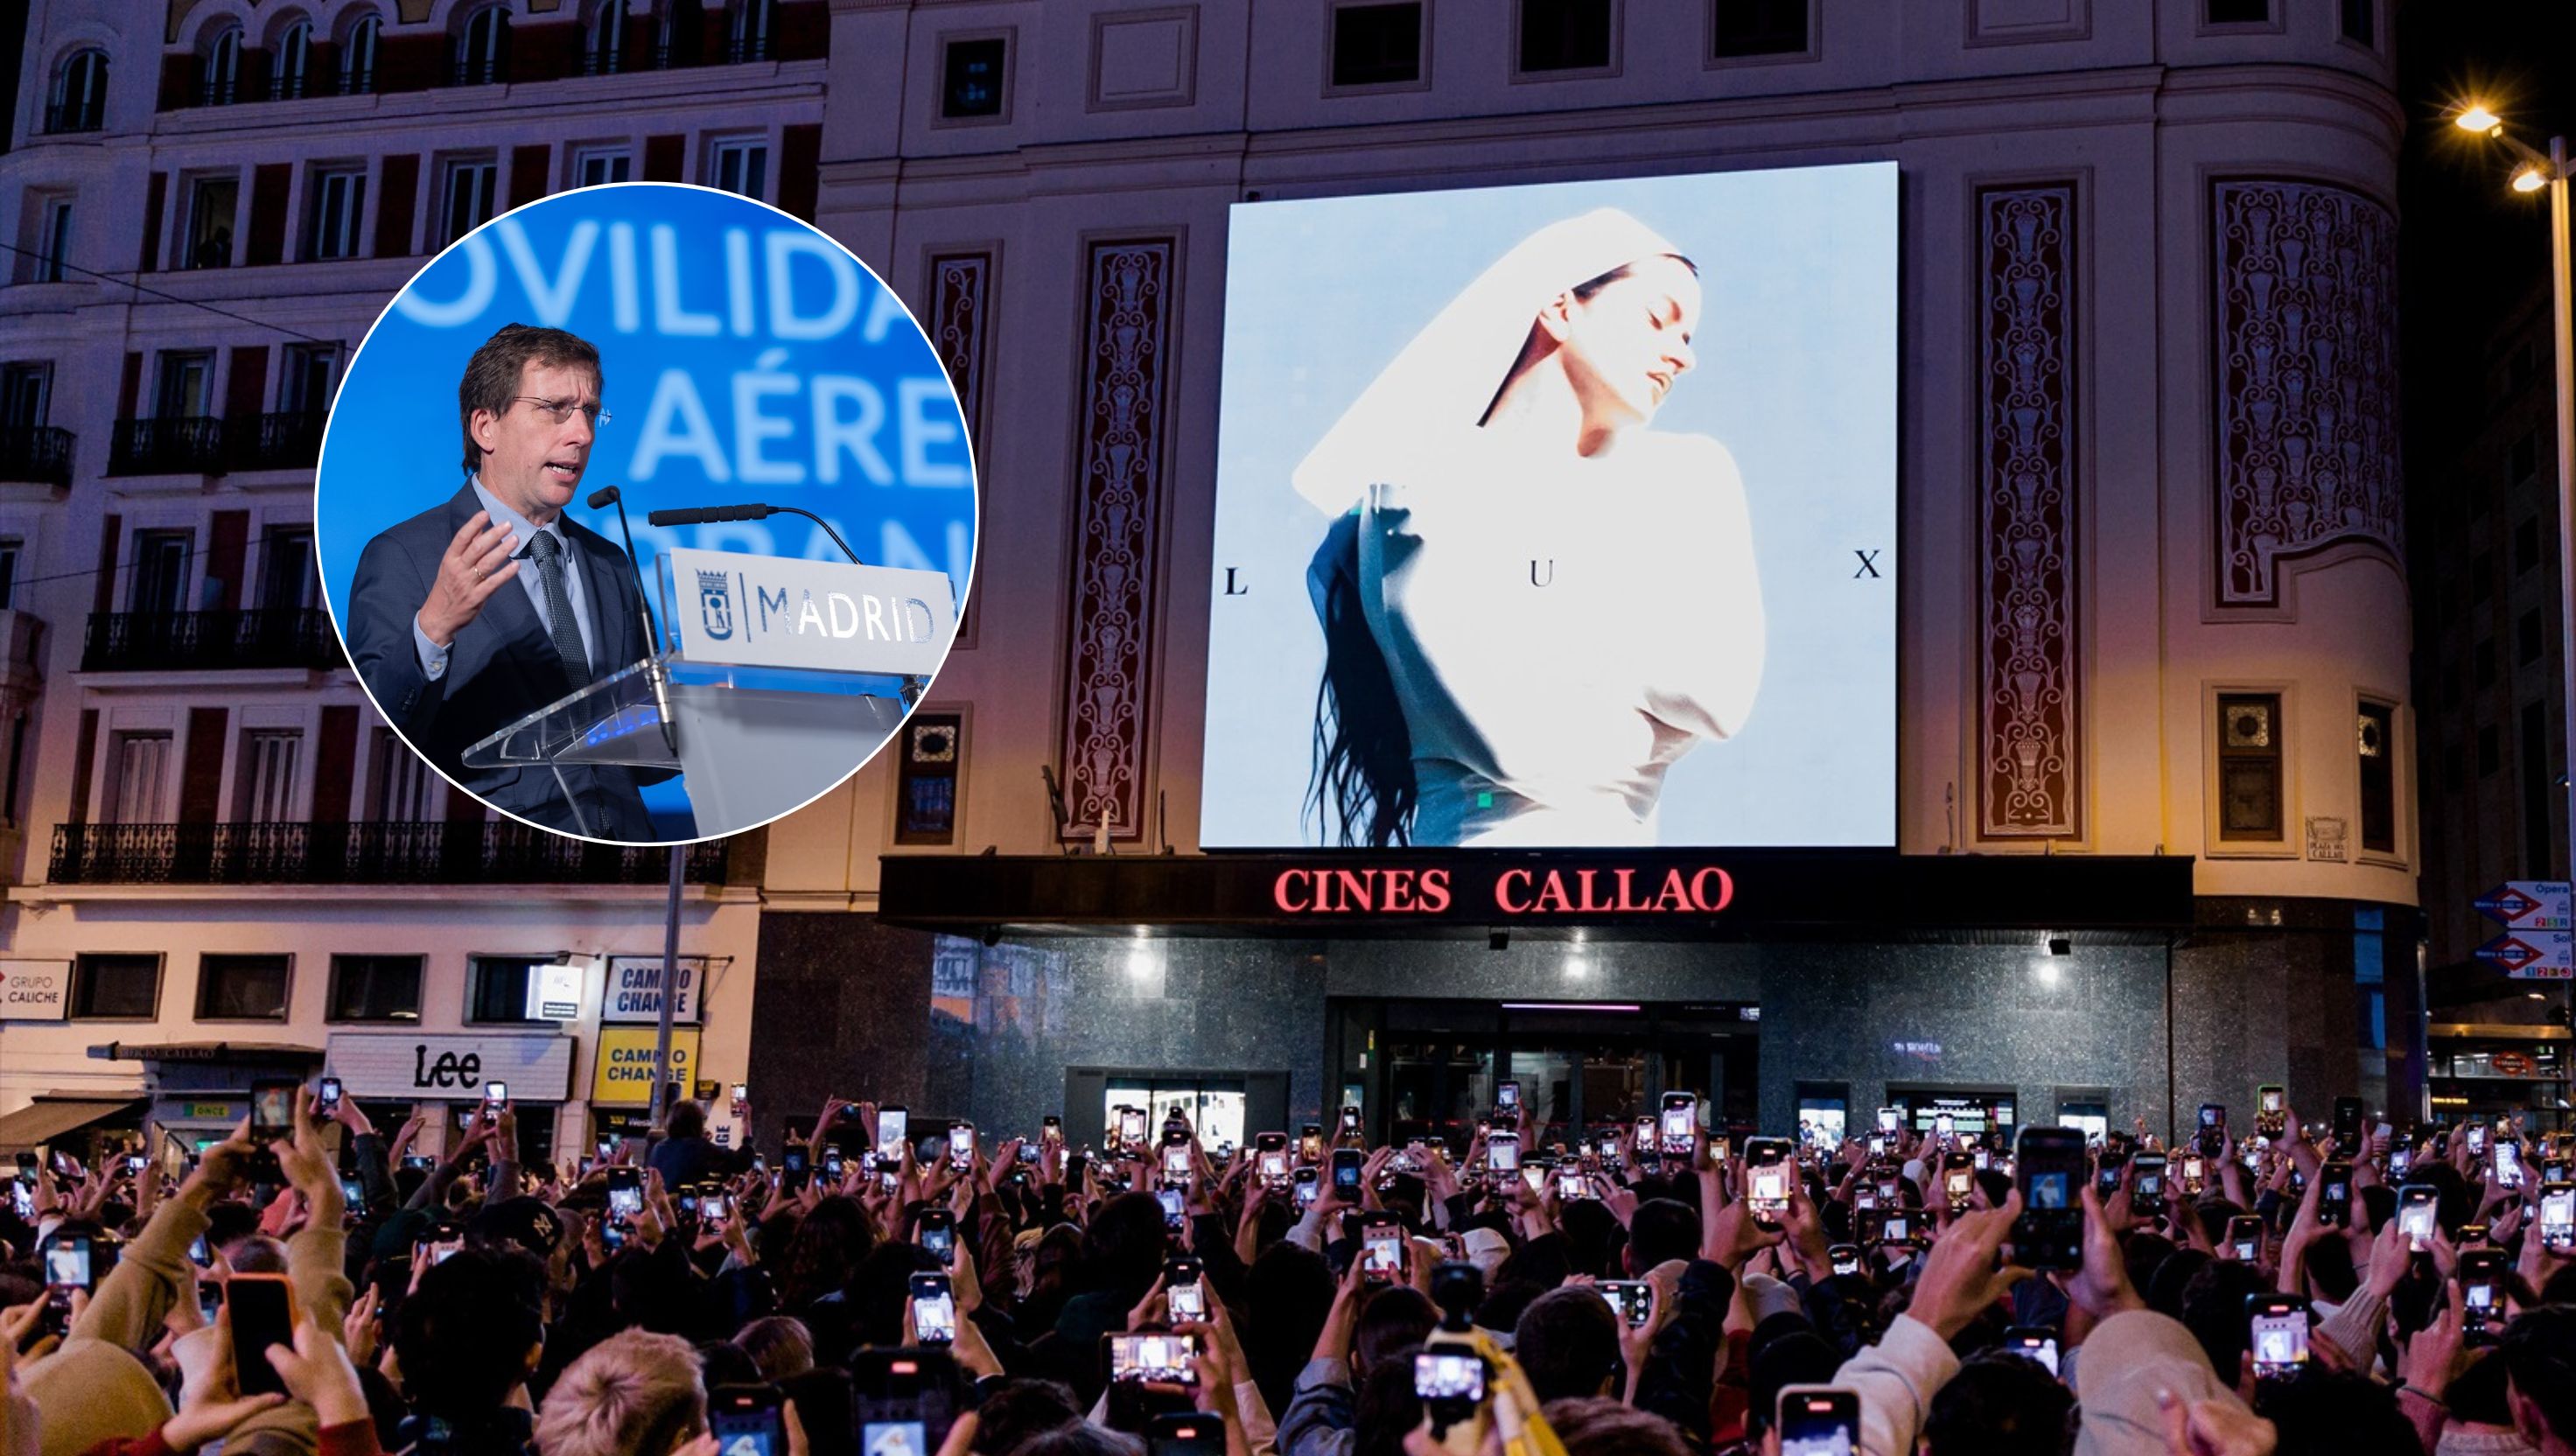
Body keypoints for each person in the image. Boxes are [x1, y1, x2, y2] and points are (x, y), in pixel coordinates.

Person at [1296, 207, 1763, 848]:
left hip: (1635, 893)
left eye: (1689, 337)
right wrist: (1641, 660)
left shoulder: (1689, 472)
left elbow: (1717, 697)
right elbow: (1514, 745)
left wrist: (1544, 636)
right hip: (1459, 891)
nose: (1684, 358)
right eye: (1660, 321)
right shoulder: (1412, 490)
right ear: (1560, 309)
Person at [345, 323, 674, 841]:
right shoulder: (405, 555)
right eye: (554, 408)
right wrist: (433, 628)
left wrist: (693, 714)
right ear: (485, 427)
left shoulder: (610, 562)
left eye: (589, 411)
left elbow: (647, 755)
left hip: (629, 850)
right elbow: (381, 726)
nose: (582, 434)